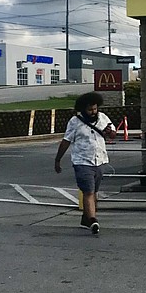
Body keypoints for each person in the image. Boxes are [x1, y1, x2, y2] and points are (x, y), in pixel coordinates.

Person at [54, 91, 116, 234]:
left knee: (94, 192)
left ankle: (85, 218)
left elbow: (112, 134)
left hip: (100, 160)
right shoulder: (74, 122)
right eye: (90, 109)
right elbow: (66, 141)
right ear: (83, 109)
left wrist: (110, 132)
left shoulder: (103, 118)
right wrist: (58, 160)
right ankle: (93, 220)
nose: (93, 112)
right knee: (88, 191)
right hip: (82, 161)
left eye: (95, 108)